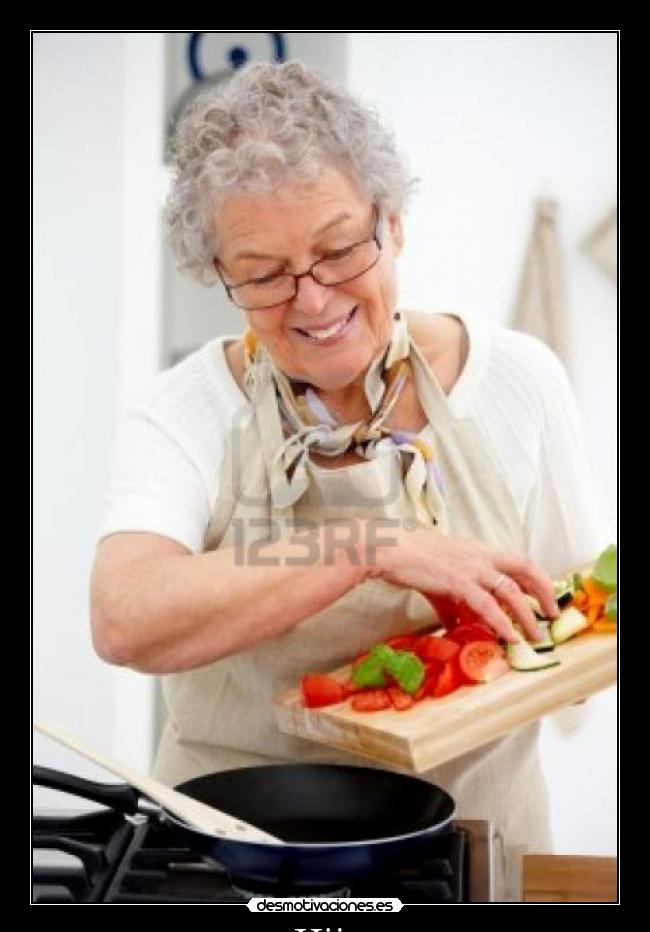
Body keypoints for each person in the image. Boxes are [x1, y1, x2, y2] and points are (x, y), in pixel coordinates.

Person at [91, 61, 606, 855]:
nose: (316, 300)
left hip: (476, 843)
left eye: (339, 250)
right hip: (234, 853)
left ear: (392, 222)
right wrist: (368, 546)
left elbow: (586, 619)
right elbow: (123, 617)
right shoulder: (185, 411)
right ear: (221, 275)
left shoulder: (516, 382)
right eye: (263, 276)